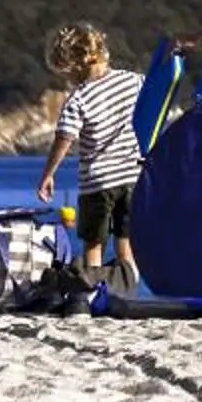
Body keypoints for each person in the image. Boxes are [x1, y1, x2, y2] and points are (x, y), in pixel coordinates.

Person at [37, 22, 146, 289]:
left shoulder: (79, 100)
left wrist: (48, 174)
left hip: (97, 182)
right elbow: (152, 112)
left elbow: (64, 138)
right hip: (134, 176)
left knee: (93, 245)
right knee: (126, 243)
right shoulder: (134, 81)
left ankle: (92, 293)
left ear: (75, 65)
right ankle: (126, 295)